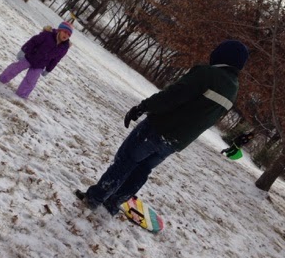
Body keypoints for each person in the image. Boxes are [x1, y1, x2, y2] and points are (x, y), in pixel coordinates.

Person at [75, 39, 249, 216]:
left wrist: (143, 107)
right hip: (176, 142)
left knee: (126, 161)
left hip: (158, 128)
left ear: (224, 55)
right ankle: (112, 205)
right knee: (142, 170)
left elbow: (172, 96)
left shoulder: (208, 74)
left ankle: (94, 199)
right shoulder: (233, 90)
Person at [0, 21, 73, 99]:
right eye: (65, 32)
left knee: (31, 80)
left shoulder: (64, 48)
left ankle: (21, 94)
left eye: (68, 34)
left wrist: (48, 69)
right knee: (16, 68)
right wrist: (24, 50)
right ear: (59, 30)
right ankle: (3, 78)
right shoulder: (47, 35)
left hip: (40, 65)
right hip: (30, 57)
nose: (66, 35)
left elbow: (56, 60)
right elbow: (33, 42)